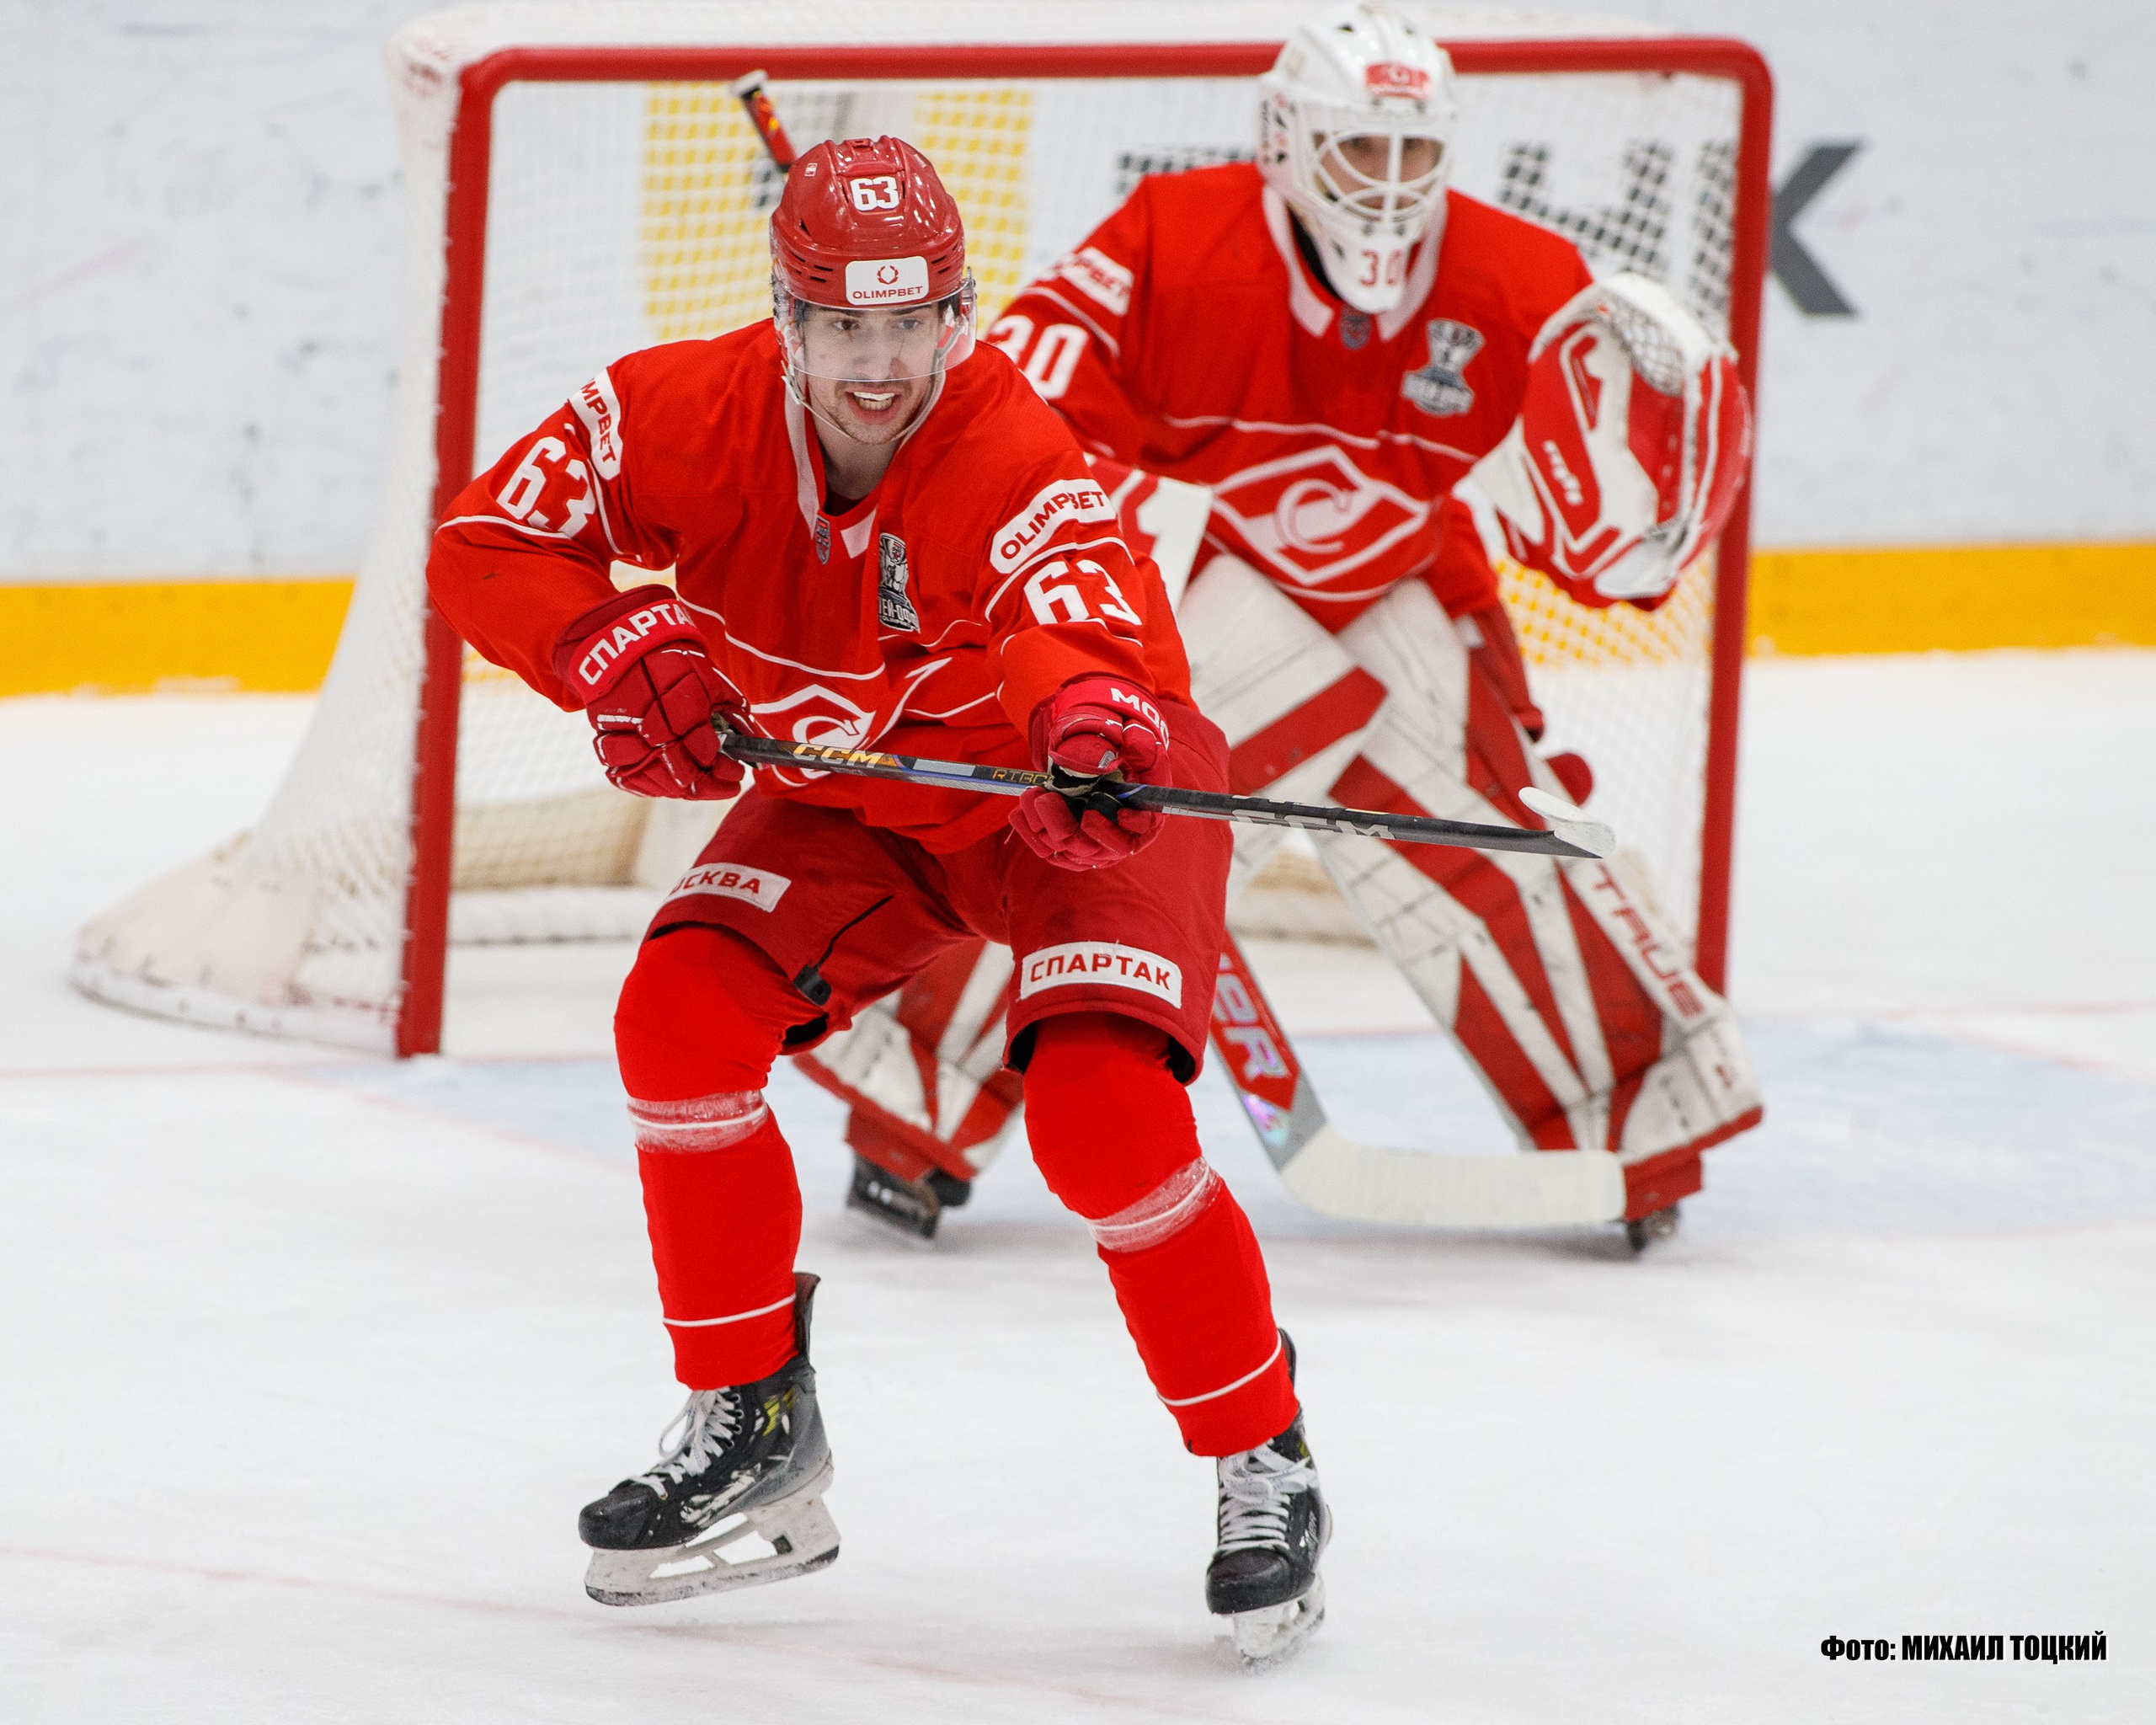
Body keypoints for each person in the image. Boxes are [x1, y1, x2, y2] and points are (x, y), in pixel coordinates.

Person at [424, 136, 1327, 1666]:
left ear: (956, 317)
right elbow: (485, 543)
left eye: (910, 325)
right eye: (844, 323)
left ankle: (1264, 1453)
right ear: (787, 318)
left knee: (1104, 1125)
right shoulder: (673, 414)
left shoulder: (1013, 451)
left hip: (1076, 803)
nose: (878, 363)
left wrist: (1086, 725)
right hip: (861, 795)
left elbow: (1082, 632)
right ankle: (752, 1415)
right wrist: (609, 653)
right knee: (677, 1022)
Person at [824, 0, 1761, 1247]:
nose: (1385, 184)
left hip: (1408, 598)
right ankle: (917, 1108)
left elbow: (1586, 518)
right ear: (1284, 135)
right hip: (1180, 593)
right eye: (1357, 149)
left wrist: (1638, 541)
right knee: (1077, 825)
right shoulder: (1173, 238)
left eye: (1411, 153)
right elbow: (1026, 402)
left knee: (1487, 826)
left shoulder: (1527, 282)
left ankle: (1644, 1121)